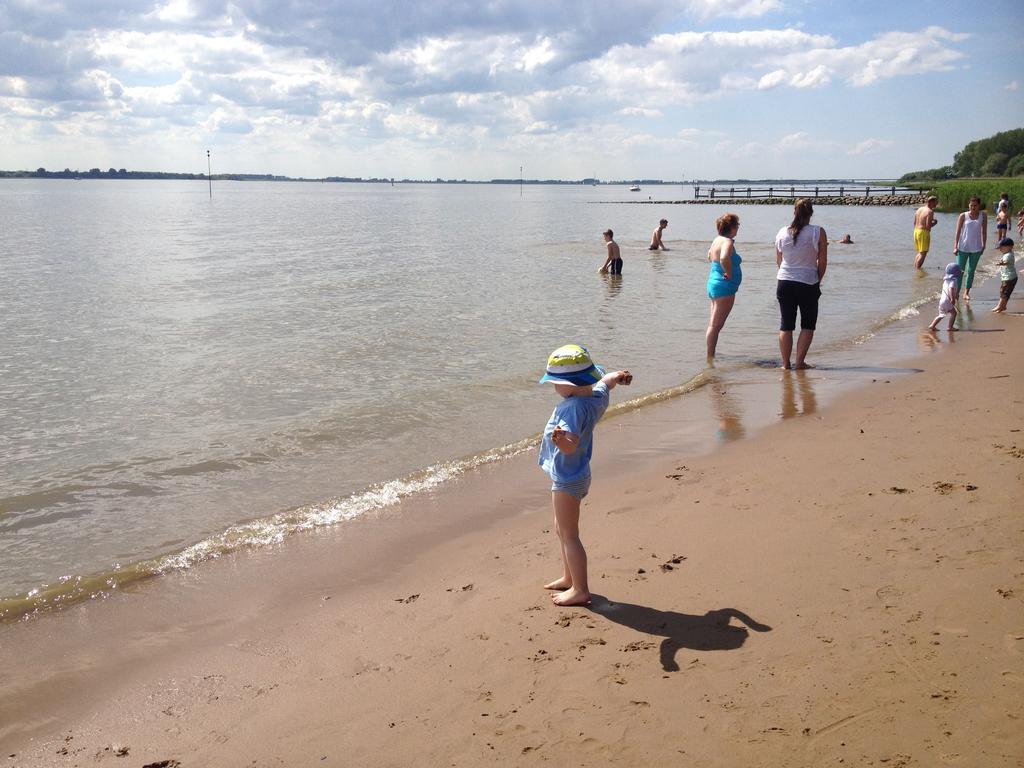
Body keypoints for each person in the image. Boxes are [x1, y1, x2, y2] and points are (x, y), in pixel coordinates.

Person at [538, 344, 632, 607]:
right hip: (579, 473)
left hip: (567, 478)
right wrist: (619, 376)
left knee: (569, 533)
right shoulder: (595, 395)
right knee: (562, 528)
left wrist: (559, 440)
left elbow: (571, 444)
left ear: (567, 384)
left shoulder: (571, 409)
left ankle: (580, 589)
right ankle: (569, 576)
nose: (554, 388)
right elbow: (607, 380)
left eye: (555, 383)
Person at [775, 199, 827, 370]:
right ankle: (799, 363)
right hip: (807, 282)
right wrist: (817, 280)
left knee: (786, 324)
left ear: (794, 212)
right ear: (811, 213)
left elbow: (779, 260)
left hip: (784, 282)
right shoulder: (817, 232)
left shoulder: (782, 232)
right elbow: (822, 261)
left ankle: (785, 364)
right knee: (808, 324)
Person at [705, 212, 742, 366]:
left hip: (714, 283)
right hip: (724, 286)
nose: (738, 228)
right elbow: (723, 258)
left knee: (714, 324)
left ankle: (711, 356)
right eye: (737, 225)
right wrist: (728, 272)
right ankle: (710, 358)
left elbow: (709, 256)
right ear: (732, 228)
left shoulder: (716, 240)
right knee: (715, 325)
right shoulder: (727, 242)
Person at [952, 196, 988, 301]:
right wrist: (955, 246)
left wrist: (984, 245)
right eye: (971, 205)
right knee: (960, 271)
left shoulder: (983, 215)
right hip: (963, 247)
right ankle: (956, 293)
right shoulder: (963, 216)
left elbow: (984, 231)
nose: (973, 207)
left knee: (971, 271)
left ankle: (966, 292)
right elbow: (957, 232)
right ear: (968, 205)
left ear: (979, 206)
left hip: (977, 248)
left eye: (975, 205)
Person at [928, 263, 963, 331]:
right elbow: (951, 289)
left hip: (942, 301)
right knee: (954, 313)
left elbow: (947, 290)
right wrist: (953, 298)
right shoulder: (953, 281)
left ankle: (932, 325)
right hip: (948, 300)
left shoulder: (946, 281)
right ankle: (950, 327)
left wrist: (956, 295)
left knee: (941, 315)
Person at [992, 237, 1017, 313]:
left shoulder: (1008, 255)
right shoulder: (1009, 253)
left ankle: (999, 306)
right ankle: (1003, 306)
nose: (1000, 250)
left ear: (1009, 247)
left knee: (1003, 293)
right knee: (1006, 293)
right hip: (1011, 277)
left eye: (1001, 248)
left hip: (1008, 278)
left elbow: (1006, 262)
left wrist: (1000, 263)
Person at [913, 196, 939, 269]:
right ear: (931, 202)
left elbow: (914, 222)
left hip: (916, 231)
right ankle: (918, 270)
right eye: (935, 202)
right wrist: (935, 222)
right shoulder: (930, 211)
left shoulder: (919, 209)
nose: (936, 204)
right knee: (923, 253)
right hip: (923, 233)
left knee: (920, 253)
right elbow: (928, 226)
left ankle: (915, 268)